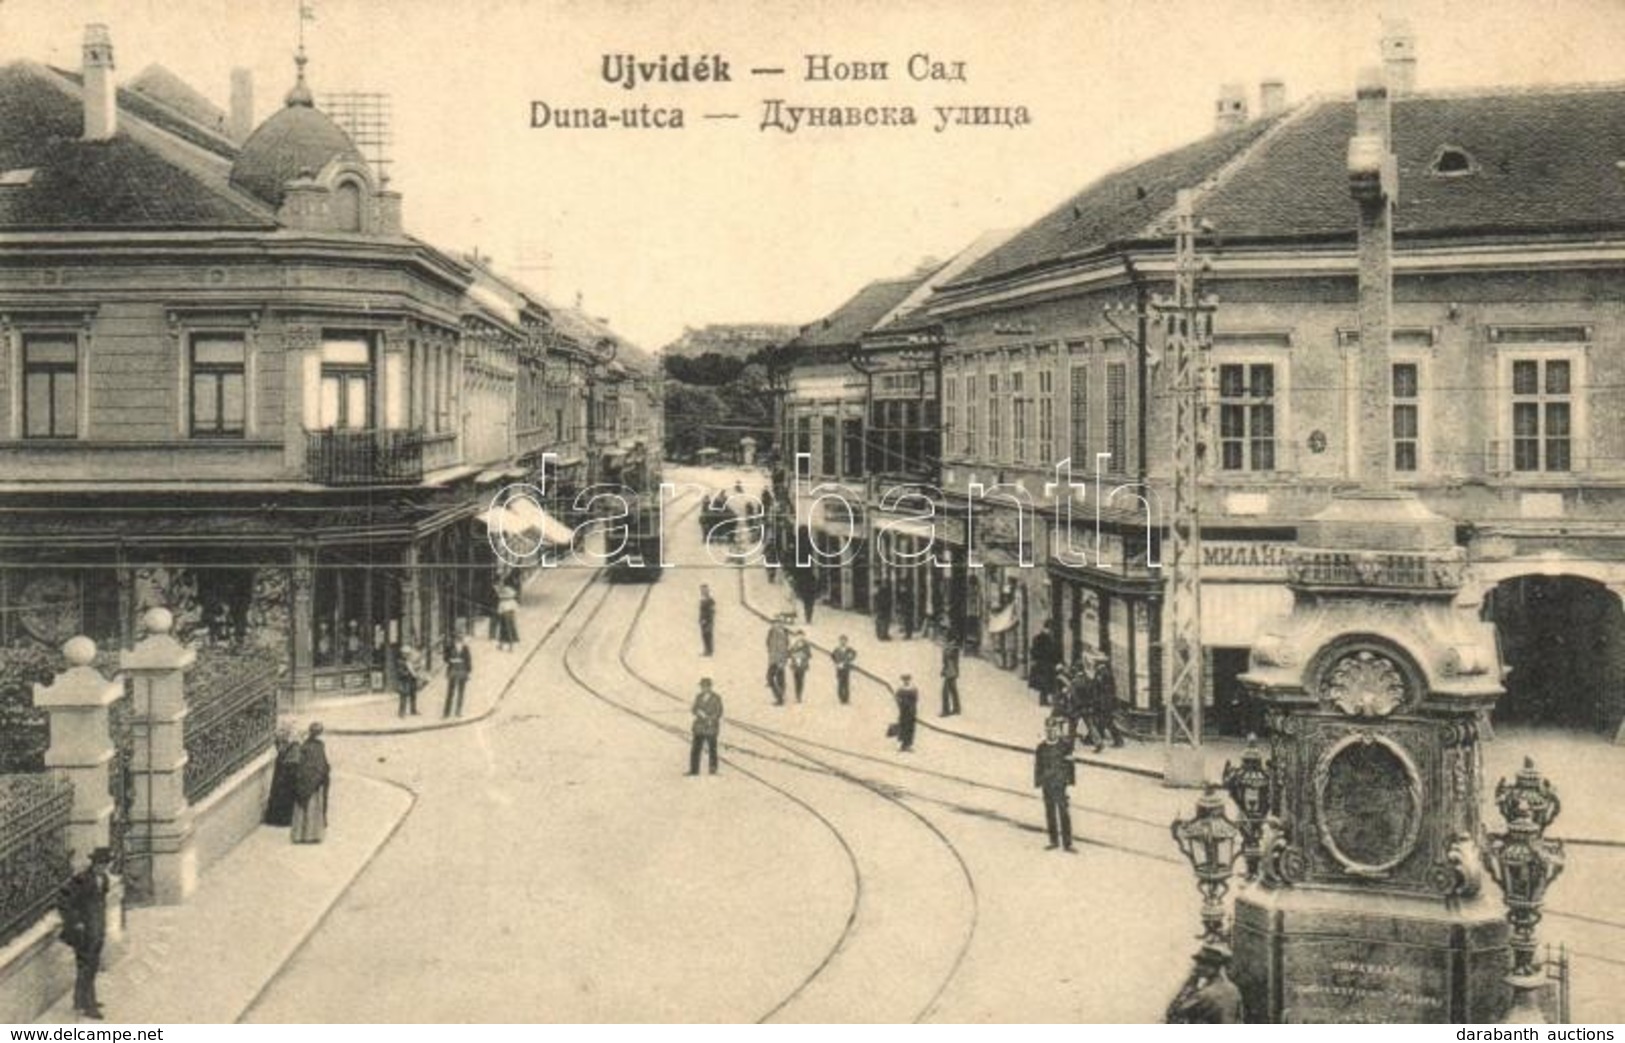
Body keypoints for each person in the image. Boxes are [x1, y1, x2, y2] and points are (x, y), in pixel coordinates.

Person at [58, 847, 112, 1020]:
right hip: (83, 933)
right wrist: (76, 922)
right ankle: (88, 1005)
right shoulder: (81, 879)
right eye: (100, 864)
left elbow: (100, 904)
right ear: (94, 863)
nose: (102, 868)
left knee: (91, 966)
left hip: (97, 931)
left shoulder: (104, 879)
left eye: (105, 864)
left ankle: (81, 1000)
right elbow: (65, 901)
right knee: (86, 967)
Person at [1165, 943, 1245, 1024]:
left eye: (1201, 964)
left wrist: (1192, 981)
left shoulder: (1204, 995)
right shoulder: (1234, 990)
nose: (1197, 967)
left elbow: (1173, 1013)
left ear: (1214, 968)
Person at [1033, 717, 1077, 852]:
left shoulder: (1064, 746)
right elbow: (1038, 766)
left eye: (1053, 730)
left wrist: (1069, 781)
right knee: (1050, 813)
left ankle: (1067, 844)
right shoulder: (1041, 748)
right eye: (1048, 730)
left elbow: (1070, 765)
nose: (1051, 732)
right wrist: (1038, 782)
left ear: (1057, 731)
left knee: (1064, 813)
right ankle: (1053, 841)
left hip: (1060, 785)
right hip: (1047, 785)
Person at [291, 722, 330, 844]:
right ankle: (312, 835)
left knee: (302, 809)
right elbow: (321, 765)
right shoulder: (319, 746)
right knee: (313, 807)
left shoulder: (304, 745)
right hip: (314, 783)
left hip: (304, 780)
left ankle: (299, 835)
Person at [264, 725, 301, 826]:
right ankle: (283, 819)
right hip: (288, 769)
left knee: (282, 795)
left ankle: (279, 819)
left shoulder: (292, 745)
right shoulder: (294, 744)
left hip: (287, 769)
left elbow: (282, 753)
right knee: (285, 795)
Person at [688, 677, 724, 775]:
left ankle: (713, 769)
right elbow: (694, 709)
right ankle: (694, 770)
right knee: (695, 749)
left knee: (712, 749)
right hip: (699, 727)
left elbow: (719, 711)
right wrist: (699, 712)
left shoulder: (716, 698)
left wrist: (710, 719)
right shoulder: (698, 697)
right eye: (702, 686)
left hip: (711, 727)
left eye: (705, 686)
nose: (703, 688)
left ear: (709, 687)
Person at [1091, 656, 1126, 749]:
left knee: (1108, 722)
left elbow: (1105, 690)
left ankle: (1119, 740)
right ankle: (1094, 739)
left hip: (1104, 703)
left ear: (1099, 663)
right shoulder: (1102, 672)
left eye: (1096, 661)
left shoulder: (1104, 673)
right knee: (1101, 721)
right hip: (1103, 703)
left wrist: (1100, 702)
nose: (1094, 663)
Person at [1028, 621, 1058, 707]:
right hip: (1042, 663)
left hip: (1045, 663)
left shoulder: (1045, 638)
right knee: (1044, 682)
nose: (1050, 631)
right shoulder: (1040, 638)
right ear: (1046, 628)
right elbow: (1034, 651)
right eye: (1049, 629)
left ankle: (1044, 700)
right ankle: (1043, 700)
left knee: (1045, 683)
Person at [443, 634, 473, 718]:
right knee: (450, 692)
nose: (458, 641)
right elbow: (445, 658)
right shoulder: (450, 647)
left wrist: (468, 671)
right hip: (453, 670)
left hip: (462, 670)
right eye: (457, 639)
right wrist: (451, 660)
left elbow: (469, 660)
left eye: (460, 639)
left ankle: (458, 712)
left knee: (461, 692)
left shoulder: (465, 648)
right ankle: (446, 713)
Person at [766, 614, 790, 705]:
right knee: (780, 678)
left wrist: (781, 662)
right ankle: (781, 697)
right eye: (774, 622)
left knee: (770, 678)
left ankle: (780, 698)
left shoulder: (780, 634)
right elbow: (769, 645)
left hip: (777, 660)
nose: (774, 624)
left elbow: (783, 649)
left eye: (777, 622)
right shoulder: (773, 632)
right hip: (774, 659)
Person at [893, 673, 919, 752]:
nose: (906, 681)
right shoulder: (901, 689)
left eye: (907, 679)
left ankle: (908, 744)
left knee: (910, 728)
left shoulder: (913, 688)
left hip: (910, 711)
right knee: (904, 727)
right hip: (904, 711)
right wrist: (901, 705)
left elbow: (916, 699)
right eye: (905, 680)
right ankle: (904, 745)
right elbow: (897, 698)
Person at [830, 635, 857, 704]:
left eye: (844, 641)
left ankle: (846, 698)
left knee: (846, 683)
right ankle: (841, 698)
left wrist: (850, 659)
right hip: (839, 669)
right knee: (840, 683)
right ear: (839, 642)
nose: (843, 642)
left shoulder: (849, 650)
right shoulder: (837, 650)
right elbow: (833, 656)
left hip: (846, 668)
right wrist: (837, 663)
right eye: (841, 641)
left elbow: (854, 654)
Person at [396, 645, 422, 717]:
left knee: (413, 695)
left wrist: (416, 668)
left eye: (409, 654)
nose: (408, 655)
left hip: (411, 680)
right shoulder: (400, 661)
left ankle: (413, 710)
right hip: (404, 681)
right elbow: (400, 672)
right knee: (403, 696)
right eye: (406, 654)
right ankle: (401, 712)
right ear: (403, 654)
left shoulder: (409, 661)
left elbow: (414, 668)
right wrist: (408, 673)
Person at [940, 640, 962, 717]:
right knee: (953, 690)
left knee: (945, 692)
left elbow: (947, 658)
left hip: (950, 672)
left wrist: (945, 649)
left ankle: (946, 711)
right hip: (951, 671)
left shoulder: (953, 649)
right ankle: (957, 709)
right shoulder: (953, 649)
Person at [496, 582, 520, 651]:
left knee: (503, 631)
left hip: (504, 617)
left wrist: (500, 614)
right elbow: (516, 609)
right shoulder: (513, 601)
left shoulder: (502, 602)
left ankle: (503, 645)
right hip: (511, 617)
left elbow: (499, 611)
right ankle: (510, 646)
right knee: (510, 631)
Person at [789, 631, 812, 702]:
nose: (800, 637)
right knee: (796, 680)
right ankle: (797, 695)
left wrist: (803, 656)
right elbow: (790, 652)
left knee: (801, 680)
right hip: (795, 663)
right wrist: (793, 655)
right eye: (798, 635)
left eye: (801, 635)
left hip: (802, 664)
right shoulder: (794, 644)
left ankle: (799, 695)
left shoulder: (806, 644)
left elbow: (809, 654)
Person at [698, 583, 716, 656]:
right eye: (702, 590)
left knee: (708, 635)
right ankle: (707, 650)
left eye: (704, 590)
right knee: (704, 635)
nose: (702, 592)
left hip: (708, 620)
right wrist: (700, 619)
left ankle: (709, 651)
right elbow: (701, 611)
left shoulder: (710, 600)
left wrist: (708, 620)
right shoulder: (703, 600)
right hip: (703, 620)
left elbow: (711, 611)